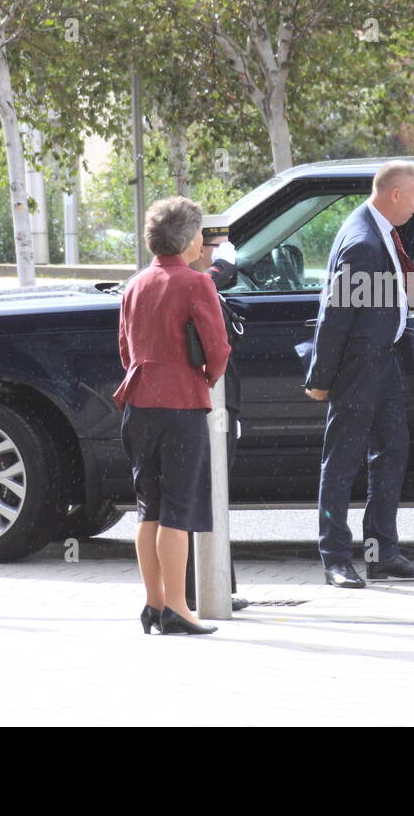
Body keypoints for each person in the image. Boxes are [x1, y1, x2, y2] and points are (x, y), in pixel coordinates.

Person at [304, 160, 414, 588]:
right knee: (342, 463)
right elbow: (335, 316)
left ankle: (382, 552)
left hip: (382, 360)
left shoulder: (380, 230)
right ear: (394, 195)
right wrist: (321, 378)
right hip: (356, 368)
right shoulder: (362, 241)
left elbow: (382, 289)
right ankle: (334, 558)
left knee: (392, 451)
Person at [115, 196, 230, 634]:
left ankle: (153, 603)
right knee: (178, 510)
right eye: (200, 233)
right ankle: (179, 608)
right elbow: (217, 349)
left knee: (150, 509)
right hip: (181, 404)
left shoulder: (136, 283)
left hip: (139, 403)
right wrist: (206, 376)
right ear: (187, 240)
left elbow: (125, 348)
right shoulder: (197, 283)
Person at [185, 222, 249, 612]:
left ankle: (216, 583)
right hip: (203, 408)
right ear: (199, 248)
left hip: (219, 408)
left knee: (212, 497)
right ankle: (202, 588)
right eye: (220, 248)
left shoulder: (202, 286)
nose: (228, 255)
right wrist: (221, 270)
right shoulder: (194, 285)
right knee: (201, 495)